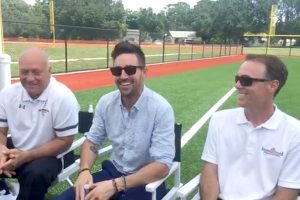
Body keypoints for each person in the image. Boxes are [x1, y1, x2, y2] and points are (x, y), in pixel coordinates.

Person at [55, 41, 175, 200]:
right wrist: (84, 170)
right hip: (113, 173)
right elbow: (92, 141)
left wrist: (115, 185)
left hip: (144, 182)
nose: (123, 76)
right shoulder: (106, 103)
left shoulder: (161, 108)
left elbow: (162, 166)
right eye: (117, 70)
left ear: (144, 72)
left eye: (130, 70)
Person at [200, 54, 300, 200]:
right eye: (237, 79)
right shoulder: (219, 120)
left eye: (246, 80)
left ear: (273, 85)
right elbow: (210, 172)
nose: (237, 85)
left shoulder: (294, 132)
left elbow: (287, 193)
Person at [0, 47, 79, 200]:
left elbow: (64, 141)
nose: (30, 78)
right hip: (16, 149)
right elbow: (1, 131)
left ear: (49, 71)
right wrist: (1, 151)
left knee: (35, 175)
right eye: (24, 72)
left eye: (36, 72)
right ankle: (4, 190)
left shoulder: (63, 97)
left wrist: (26, 156)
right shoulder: (8, 94)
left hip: (50, 155)